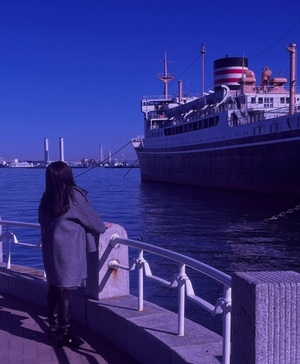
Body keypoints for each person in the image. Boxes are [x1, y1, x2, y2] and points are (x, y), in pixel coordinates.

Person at [38, 161, 107, 347]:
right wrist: (101, 228)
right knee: (67, 291)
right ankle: (65, 333)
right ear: (68, 176)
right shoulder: (74, 196)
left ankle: (53, 330)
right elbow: (96, 223)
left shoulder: (47, 198)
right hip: (69, 251)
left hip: (50, 250)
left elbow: (41, 220)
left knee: (53, 287)